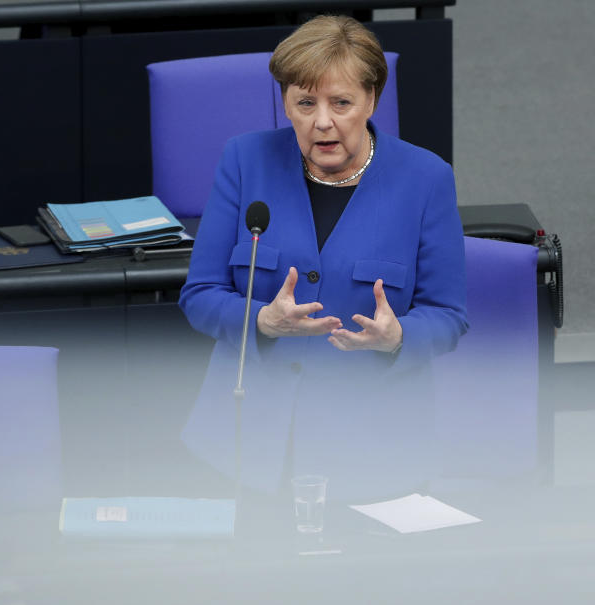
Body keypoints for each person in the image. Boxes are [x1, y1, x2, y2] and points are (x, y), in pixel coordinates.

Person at [178, 15, 468, 501]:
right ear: (285, 102)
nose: (322, 121)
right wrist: (262, 322)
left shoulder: (425, 179)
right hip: (249, 447)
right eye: (305, 102)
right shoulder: (245, 160)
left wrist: (398, 336)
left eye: (341, 103)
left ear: (372, 100)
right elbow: (200, 294)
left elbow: (448, 316)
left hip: (374, 453)